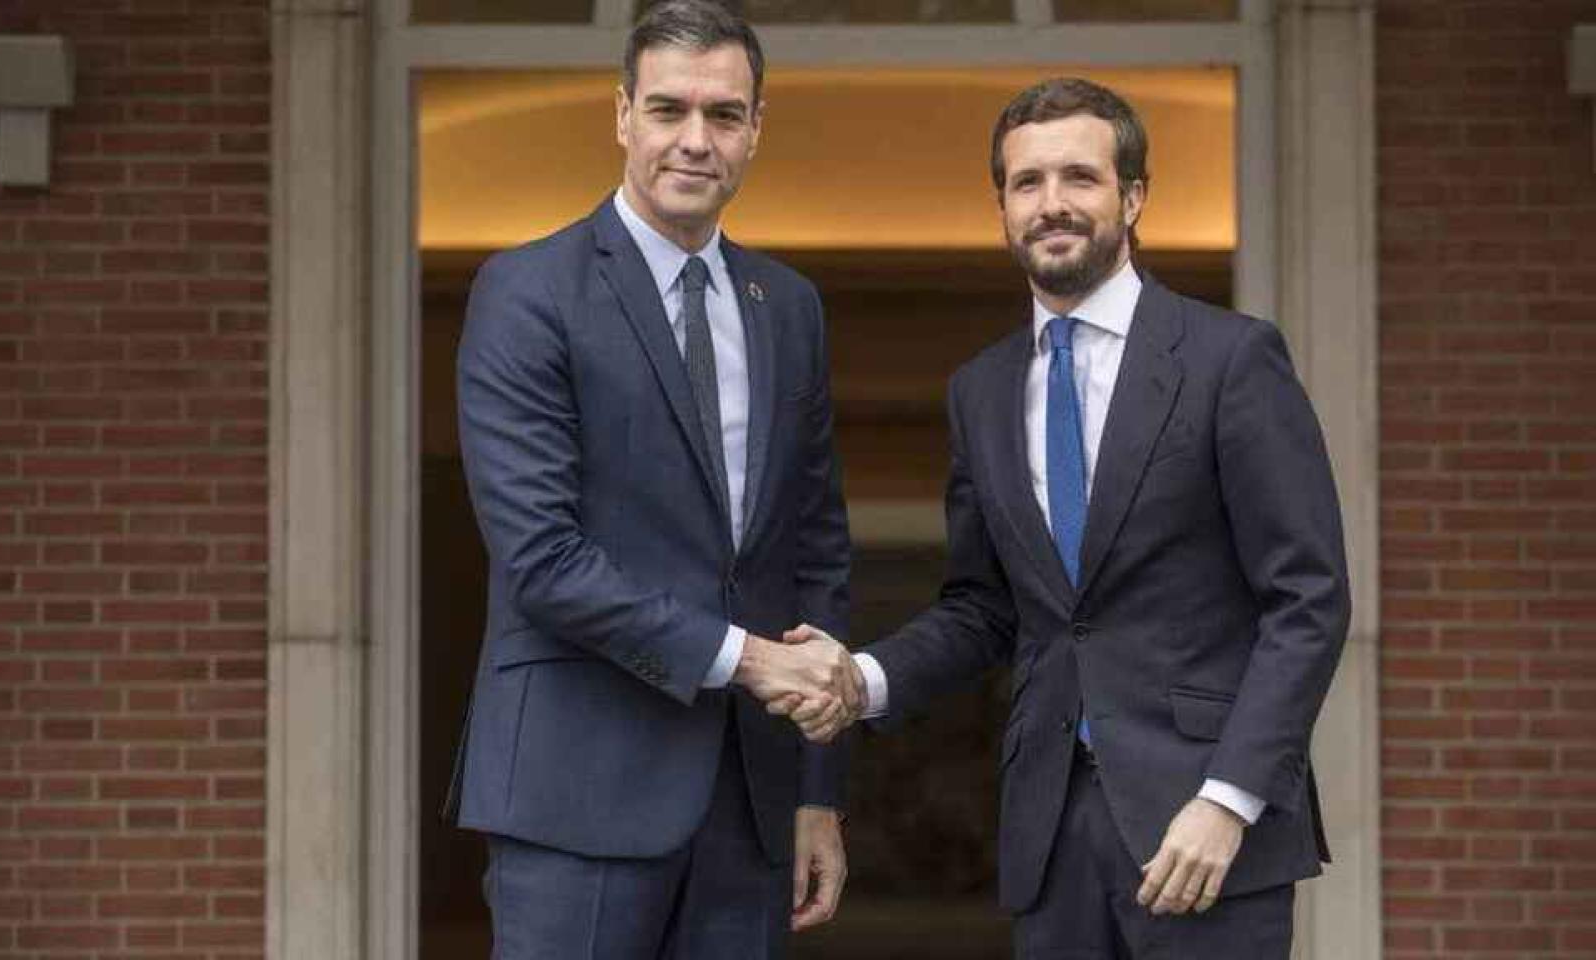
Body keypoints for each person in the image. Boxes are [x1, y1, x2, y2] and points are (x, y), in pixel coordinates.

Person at [782, 77, 1349, 958]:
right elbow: (986, 606)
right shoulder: (982, 389)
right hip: (1048, 835)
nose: (1053, 204)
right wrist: (862, 678)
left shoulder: (1230, 361)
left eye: (1079, 178)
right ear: (1002, 206)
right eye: (1027, 183)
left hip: (1204, 834)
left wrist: (1230, 797)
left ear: (1132, 196)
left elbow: (1308, 599)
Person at [444, 1, 862, 956]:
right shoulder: (527, 292)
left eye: (723, 115)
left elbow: (816, 553)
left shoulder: (787, 307)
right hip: (575, 790)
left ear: (756, 130)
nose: (694, 140)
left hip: (750, 807)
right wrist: (753, 661)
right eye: (669, 110)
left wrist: (815, 792)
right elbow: (544, 560)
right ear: (622, 115)